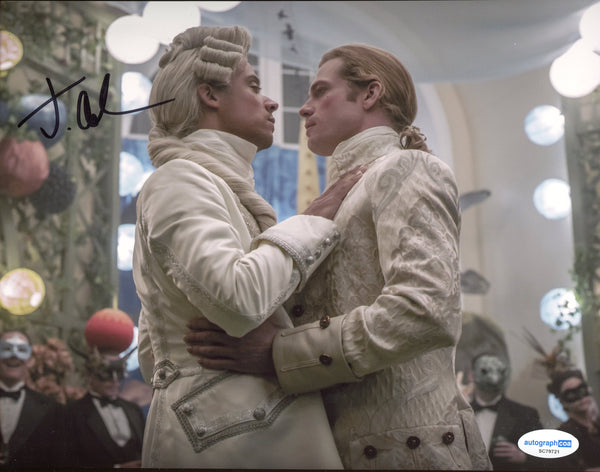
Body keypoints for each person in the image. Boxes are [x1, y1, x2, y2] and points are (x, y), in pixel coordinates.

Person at [185, 44, 492, 470]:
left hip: (409, 453)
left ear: (370, 94)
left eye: (319, 91)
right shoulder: (347, 193)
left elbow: (425, 309)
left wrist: (282, 354)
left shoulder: (407, 168)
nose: (303, 108)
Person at [132, 25, 361, 469]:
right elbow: (239, 299)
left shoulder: (211, 185)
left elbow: (152, 349)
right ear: (209, 95)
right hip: (228, 437)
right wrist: (314, 218)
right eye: (254, 86)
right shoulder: (180, 179)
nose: (272, 102)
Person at [64, 348, 145, 468]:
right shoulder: (72, 413)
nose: (115, 381)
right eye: (106, 374)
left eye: (119, 373)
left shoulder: (134, 410)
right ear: (89, 375)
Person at [0, 330, 66, 468]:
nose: (14, 356)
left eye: (21, 350)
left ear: (30, 360)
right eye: (6, 348)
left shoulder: (50, 409)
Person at [469, 352, 544, 470]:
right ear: (471, 376)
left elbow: (545, 456)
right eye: (485, 371)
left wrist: (524, 457)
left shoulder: (526, 415)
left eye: (499, 371)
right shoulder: (458, 414)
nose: (493, 378)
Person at [546, 369, 600, 471]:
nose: (580, 397)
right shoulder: (563, 435)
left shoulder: (597, 424)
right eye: (571, 394)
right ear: (562, 401)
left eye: (581, 389)